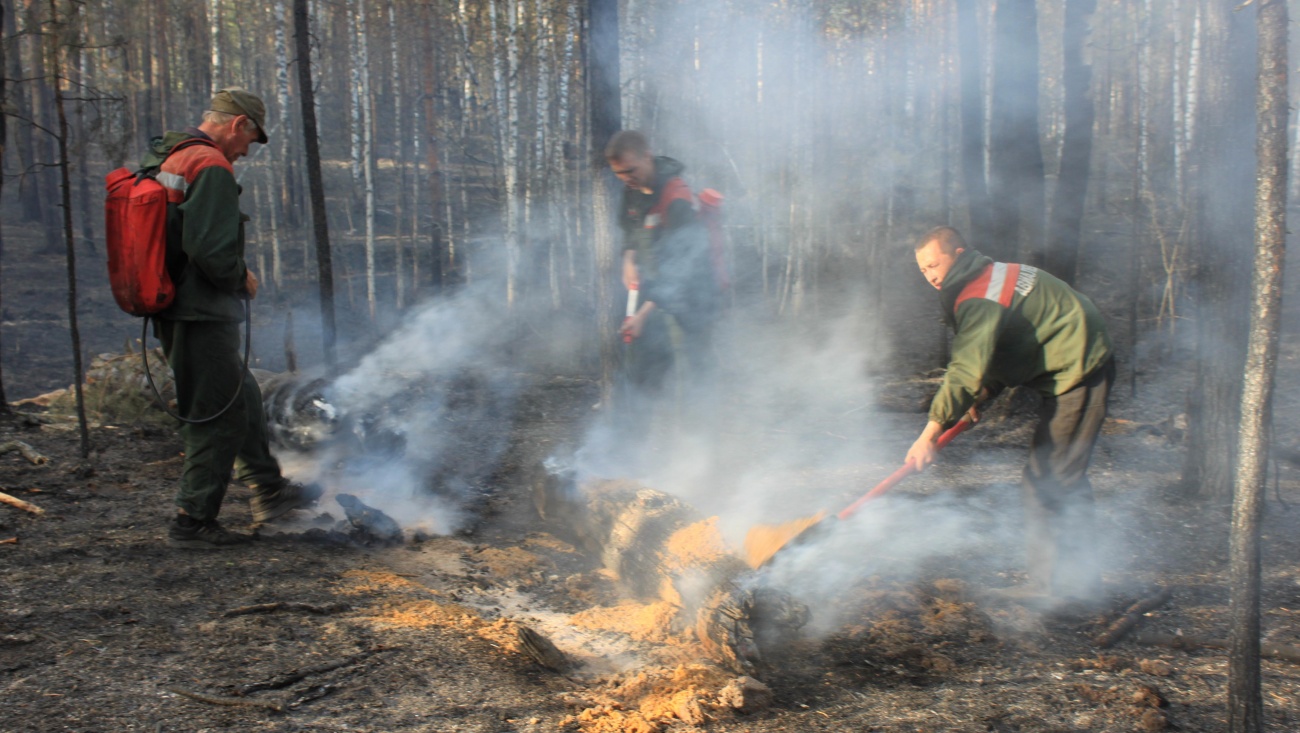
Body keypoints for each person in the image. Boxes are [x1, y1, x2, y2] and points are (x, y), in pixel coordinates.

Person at [143, 87, 319, 549]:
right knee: (215, 414)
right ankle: (192, 521)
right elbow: (210, 250)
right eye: (250, 139)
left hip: (176, 306)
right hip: (199, 311)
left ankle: (271, 491)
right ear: (238, 124)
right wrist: (242, 279)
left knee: (240, 396)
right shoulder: (211, 166)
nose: (246, 151)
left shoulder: (174, 156)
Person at [906, 226, 1114, 605]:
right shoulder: (988, 275)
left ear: (958, 253)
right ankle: (1082, 586)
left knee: (1047, 482)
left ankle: (1058, 594)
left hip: (1080, 365)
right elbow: (1004, 351)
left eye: (935, 264)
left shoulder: (978, 296)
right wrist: (980, 397)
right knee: (1062, 479)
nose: (931, 275)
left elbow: (965, 368)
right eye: (923, 270)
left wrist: (930, 432)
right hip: (1067, 358)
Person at [604, 131, 718, 458]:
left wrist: (642, 313)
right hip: (656, 293)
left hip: (693, 299)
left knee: (692, 377)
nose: (625, 179)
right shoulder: (632, 191)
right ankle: (638, 451)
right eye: (619, 175)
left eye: (630, 171)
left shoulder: (677, 197)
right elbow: (629, 231)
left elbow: (682, 268)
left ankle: (698, 454)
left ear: (647, 156)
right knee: (646, 370)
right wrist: (627, 260)